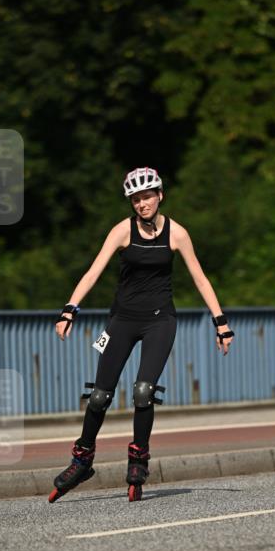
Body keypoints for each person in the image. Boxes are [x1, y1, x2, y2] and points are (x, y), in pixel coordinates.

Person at [49, 166, 235, 502]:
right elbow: (94, 271)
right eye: (135, 199)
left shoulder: (177, 234)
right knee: (100, 396)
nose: (141, 204)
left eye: (146, 196)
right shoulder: (122, 231)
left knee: (143, 391)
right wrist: (69, 309)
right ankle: (82, 460)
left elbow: (201, 278)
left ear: (160, 196)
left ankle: (138, 461)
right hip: (122, 319)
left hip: (160, 321)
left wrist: (220, 323)